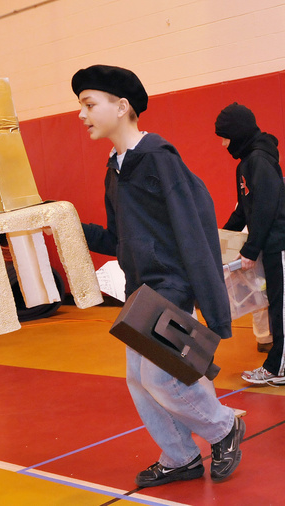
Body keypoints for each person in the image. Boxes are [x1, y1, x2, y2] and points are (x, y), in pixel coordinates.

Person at [72, 65, 244, 487]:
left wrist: (213, 307)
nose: (82, 114)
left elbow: (194, 230)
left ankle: (224, 428)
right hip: (140, 290)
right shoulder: (116, 169)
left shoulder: (158, 161)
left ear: (122, 106)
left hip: (170, 286)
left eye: (90, 104)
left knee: (159, 375)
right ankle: (181, 456)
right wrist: (68, 224)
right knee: (139, 379)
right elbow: (118, 238)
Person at [216, 103, 285, 385]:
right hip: (270, 245)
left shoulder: (259, 160)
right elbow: (245, 208)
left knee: (284, 307)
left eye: (225, 136)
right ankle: (282, 363)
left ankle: (283, 368)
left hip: (282, 244)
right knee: (276, 304)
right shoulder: (246, 163)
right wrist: (221, 236)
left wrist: (250, 249)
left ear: (238, 133)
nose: (223, 143)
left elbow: (266, 205)